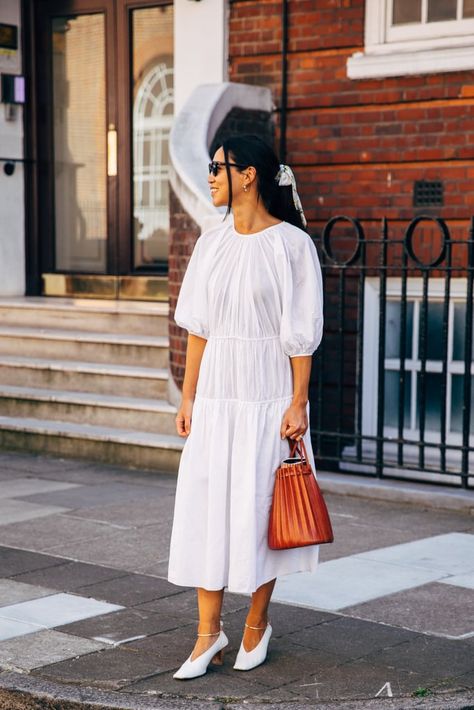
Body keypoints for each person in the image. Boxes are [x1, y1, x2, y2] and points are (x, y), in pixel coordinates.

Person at [167, 134, 324, 680]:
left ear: (249, 174)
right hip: (216, 398)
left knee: (262, 513)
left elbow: (300, 335)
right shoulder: (209, 246)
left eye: (217, 167)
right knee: (208, 508)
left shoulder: (292, 246)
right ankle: (208, 635)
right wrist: (188, 397)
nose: (210, 176)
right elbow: (199, 332)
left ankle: (256, 623)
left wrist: (298, 403)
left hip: (268, 400)